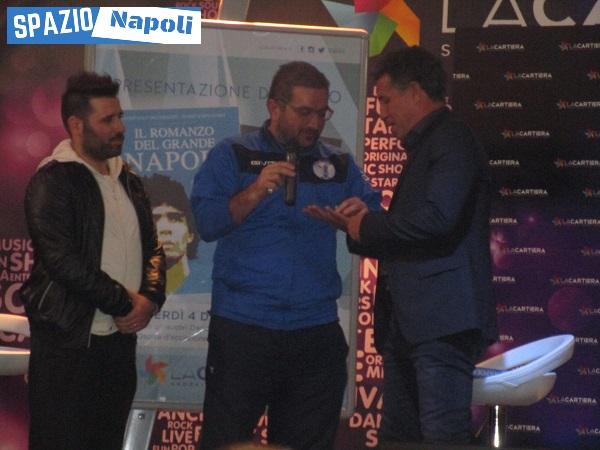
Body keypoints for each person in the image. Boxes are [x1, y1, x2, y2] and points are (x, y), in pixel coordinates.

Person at [308, 47, 497, 445]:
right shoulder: (427, 146)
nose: (381, 113)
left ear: (414, 92)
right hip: (411, 326)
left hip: (441, 323)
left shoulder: (452, 139)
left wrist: (367, 225)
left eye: (386, 99)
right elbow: (417, 234)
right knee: (398, 438)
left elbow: (438, 221)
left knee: (442, 437)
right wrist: (356, 226)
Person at [190, 61, 380, 450]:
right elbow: (207, 224)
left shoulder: (338, 163)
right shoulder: (233, 154)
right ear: (274, 107)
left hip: (314, 331)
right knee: (226, 442)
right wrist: (255, 191)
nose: (315, 123)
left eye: (322, 113)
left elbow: (378, 222)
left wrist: (357, 218)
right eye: (304, 112)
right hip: (244, 328)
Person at [20, 72, 166, 450]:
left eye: (120, 117)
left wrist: (150, 299)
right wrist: (124, 302)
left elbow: (154, 248)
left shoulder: (127, 178)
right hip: (68, 345)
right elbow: (62, 261)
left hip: (118, 344)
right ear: (76, 125)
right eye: (108, 120)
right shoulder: (53, 180)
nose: (120, 128)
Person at [142, 174, 211, 294]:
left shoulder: (208, 284)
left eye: (174, 218)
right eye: (154, 219)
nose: (165, 228)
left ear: (190, 233)